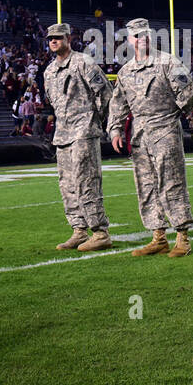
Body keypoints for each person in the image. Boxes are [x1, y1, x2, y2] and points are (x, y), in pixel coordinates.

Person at [106, 18, 193, 258]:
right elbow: (118, 104)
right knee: (146, 186)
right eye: (137, 36)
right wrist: (115, 129)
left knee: (172, 182)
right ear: (129, 40)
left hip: (164, 129)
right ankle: (158, 236)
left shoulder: (168, 61)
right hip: (139, 134)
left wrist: (172, 115)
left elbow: (187, 93)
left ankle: (182, 237)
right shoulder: (126, 71)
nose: (142, 39)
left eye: (145, 34)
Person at [42, 23, 112, 252]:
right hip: (62, 134)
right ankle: (79, 230)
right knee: (67, 184)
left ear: (68, 38)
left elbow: (105, 94)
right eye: (50, 38)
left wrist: (93, 120)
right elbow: (52, 102)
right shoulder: (49, 71)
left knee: (87, 181)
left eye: (58, 37)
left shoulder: (84, 62)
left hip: (84, 131)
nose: (54, 41)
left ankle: (100, 232)